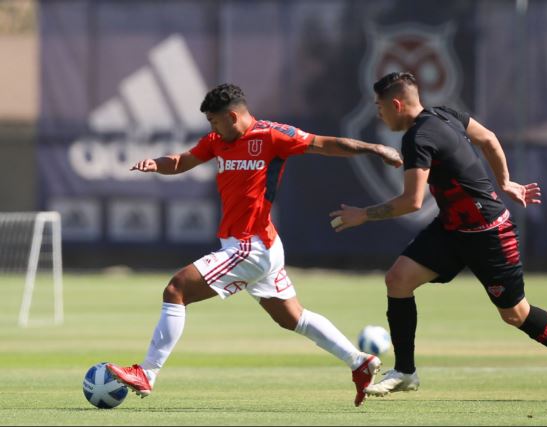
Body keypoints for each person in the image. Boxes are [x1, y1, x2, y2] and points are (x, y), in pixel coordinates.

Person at [106, 83, 403, 407]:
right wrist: (156, 163)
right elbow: (180, 161)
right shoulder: (218, 141)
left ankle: (147, 373)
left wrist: (375, 148)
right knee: (292, 318)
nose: (212, 129)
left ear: (233, 116)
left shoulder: (272, 136)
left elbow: (325, 144)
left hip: (251, 246)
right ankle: (359, 361)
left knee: (176, 289)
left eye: (215, 121)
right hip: (263, 247)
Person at [329, 72, 547, 406]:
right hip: (453, 229)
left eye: (380, 107)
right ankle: (406, 372)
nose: (378, 113)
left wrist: (363, 215)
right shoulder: (445, 113)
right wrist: (506, 181)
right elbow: (488, 138)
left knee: (515, 314)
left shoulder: (417, 137)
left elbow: (412, 201)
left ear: (396, 104)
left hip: (489, 232)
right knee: (398, 280)